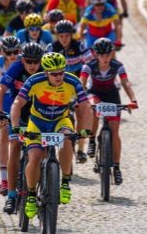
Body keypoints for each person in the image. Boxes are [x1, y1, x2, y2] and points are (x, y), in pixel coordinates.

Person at [10, 52, 92, 218]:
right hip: (38, 122)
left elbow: (85, 106)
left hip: (60, 120)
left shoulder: (72, 81)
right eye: (54, 73)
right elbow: (17, 103)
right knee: (35, 157)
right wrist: (16, 126)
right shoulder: (34, 80)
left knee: (68, 139)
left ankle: (65, 182)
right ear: (46, 72)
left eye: (61, 72)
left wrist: (87, 130)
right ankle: (31, 195)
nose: (58, 76)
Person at [0, 43, 45, 214]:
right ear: (23, 60)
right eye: (28, 61)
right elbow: (1, 88)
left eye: (35, 62)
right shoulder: (16, 67)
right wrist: (0, 111)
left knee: (41, 152)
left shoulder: (45, 69)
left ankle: (43, 183)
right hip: (20, 112)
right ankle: (11, 195)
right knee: (14, 146)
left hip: (39, 115)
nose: (32, 65)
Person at [80, 38, 137, 184]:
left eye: (107, 55)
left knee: (115, 131)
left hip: (112, 96)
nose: (105, 59)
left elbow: (126, 82)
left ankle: (117, 168)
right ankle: (92, 140)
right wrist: (80, 99)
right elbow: (82, 83)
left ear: (111, 54)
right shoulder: (89, 66)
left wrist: (133, 100)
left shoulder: (117, 65)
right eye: (102, 55)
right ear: (96, 55)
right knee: (93, 108)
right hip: (95, 94)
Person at [48, 20, 92, 163]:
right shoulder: (52, 47)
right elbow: (45, 69)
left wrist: (86, 83)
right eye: (61, 36)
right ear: (57, 36)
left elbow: (90, 63)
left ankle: (80, 149)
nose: (64, 39)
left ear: (72, 35)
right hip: (58, 86)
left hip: (77, 84)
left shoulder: (79, 46)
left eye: (67, 36)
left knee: (80, 112)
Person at [0, 36, 21, 197]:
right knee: (4, 137)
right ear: (2, 52)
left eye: (15, 52)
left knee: (18, 136)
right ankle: (4, 179)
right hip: (5, 99)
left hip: (20, 99)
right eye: (8, 53)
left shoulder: (22, 61)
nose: (12, 56)